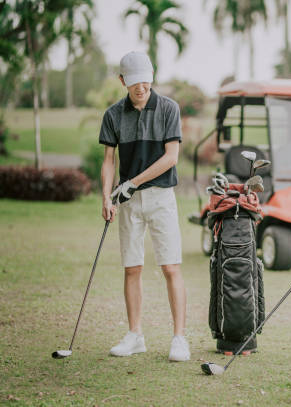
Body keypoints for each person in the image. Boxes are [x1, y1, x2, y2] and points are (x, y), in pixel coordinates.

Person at [99, 51, 189, 362]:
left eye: (146, 81)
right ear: (123, 81)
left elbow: (170, 158)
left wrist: (132, 183)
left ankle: (179, 338)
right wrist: (106, 196)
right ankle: (135, 335)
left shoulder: (168, 108)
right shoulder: (113, 115)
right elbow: (109, 160)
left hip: (161, 197)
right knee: (132, 267)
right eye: (135, 82)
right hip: (127, 201)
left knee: (170, 267)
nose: (142, 87)